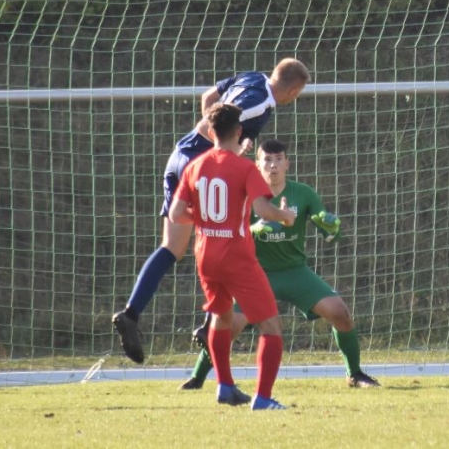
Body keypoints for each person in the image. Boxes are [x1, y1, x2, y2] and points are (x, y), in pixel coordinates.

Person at [112, 58, 311, 364]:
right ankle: (209, 327)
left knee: (174, 247)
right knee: (228, 237)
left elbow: (209, 98)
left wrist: (226, 146)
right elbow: (208, 127)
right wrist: (228, 151)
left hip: (179, 157)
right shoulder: (258, 104)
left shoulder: (252, 77)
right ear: (294, 91)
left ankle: (131, 313)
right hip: (202, 168)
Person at [179, 139, 381, 392]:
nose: (273, 165)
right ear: (257, 164)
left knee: (340, 313)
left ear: (287, 163)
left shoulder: (304, 193)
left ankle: (355, 374)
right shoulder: (242, 192)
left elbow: (329, 231)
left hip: (295, 272)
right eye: (267, 159)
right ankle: (197, 378)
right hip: (253, 272)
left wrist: (331, 227)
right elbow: (226, 230)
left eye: (278, 159)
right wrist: (254, 229)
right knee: (227, 327)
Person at [168, 104, 296, 410]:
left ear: (211, 131)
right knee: (270, 326)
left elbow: (175, 213)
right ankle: (262, 398)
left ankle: (225, 386)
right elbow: (263, 210)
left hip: (206, 255)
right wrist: (285, 216)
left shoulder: (195, 166)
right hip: (236, 256)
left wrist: (205, 220)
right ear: (239, 131)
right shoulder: (244, 168)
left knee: (221, 317)